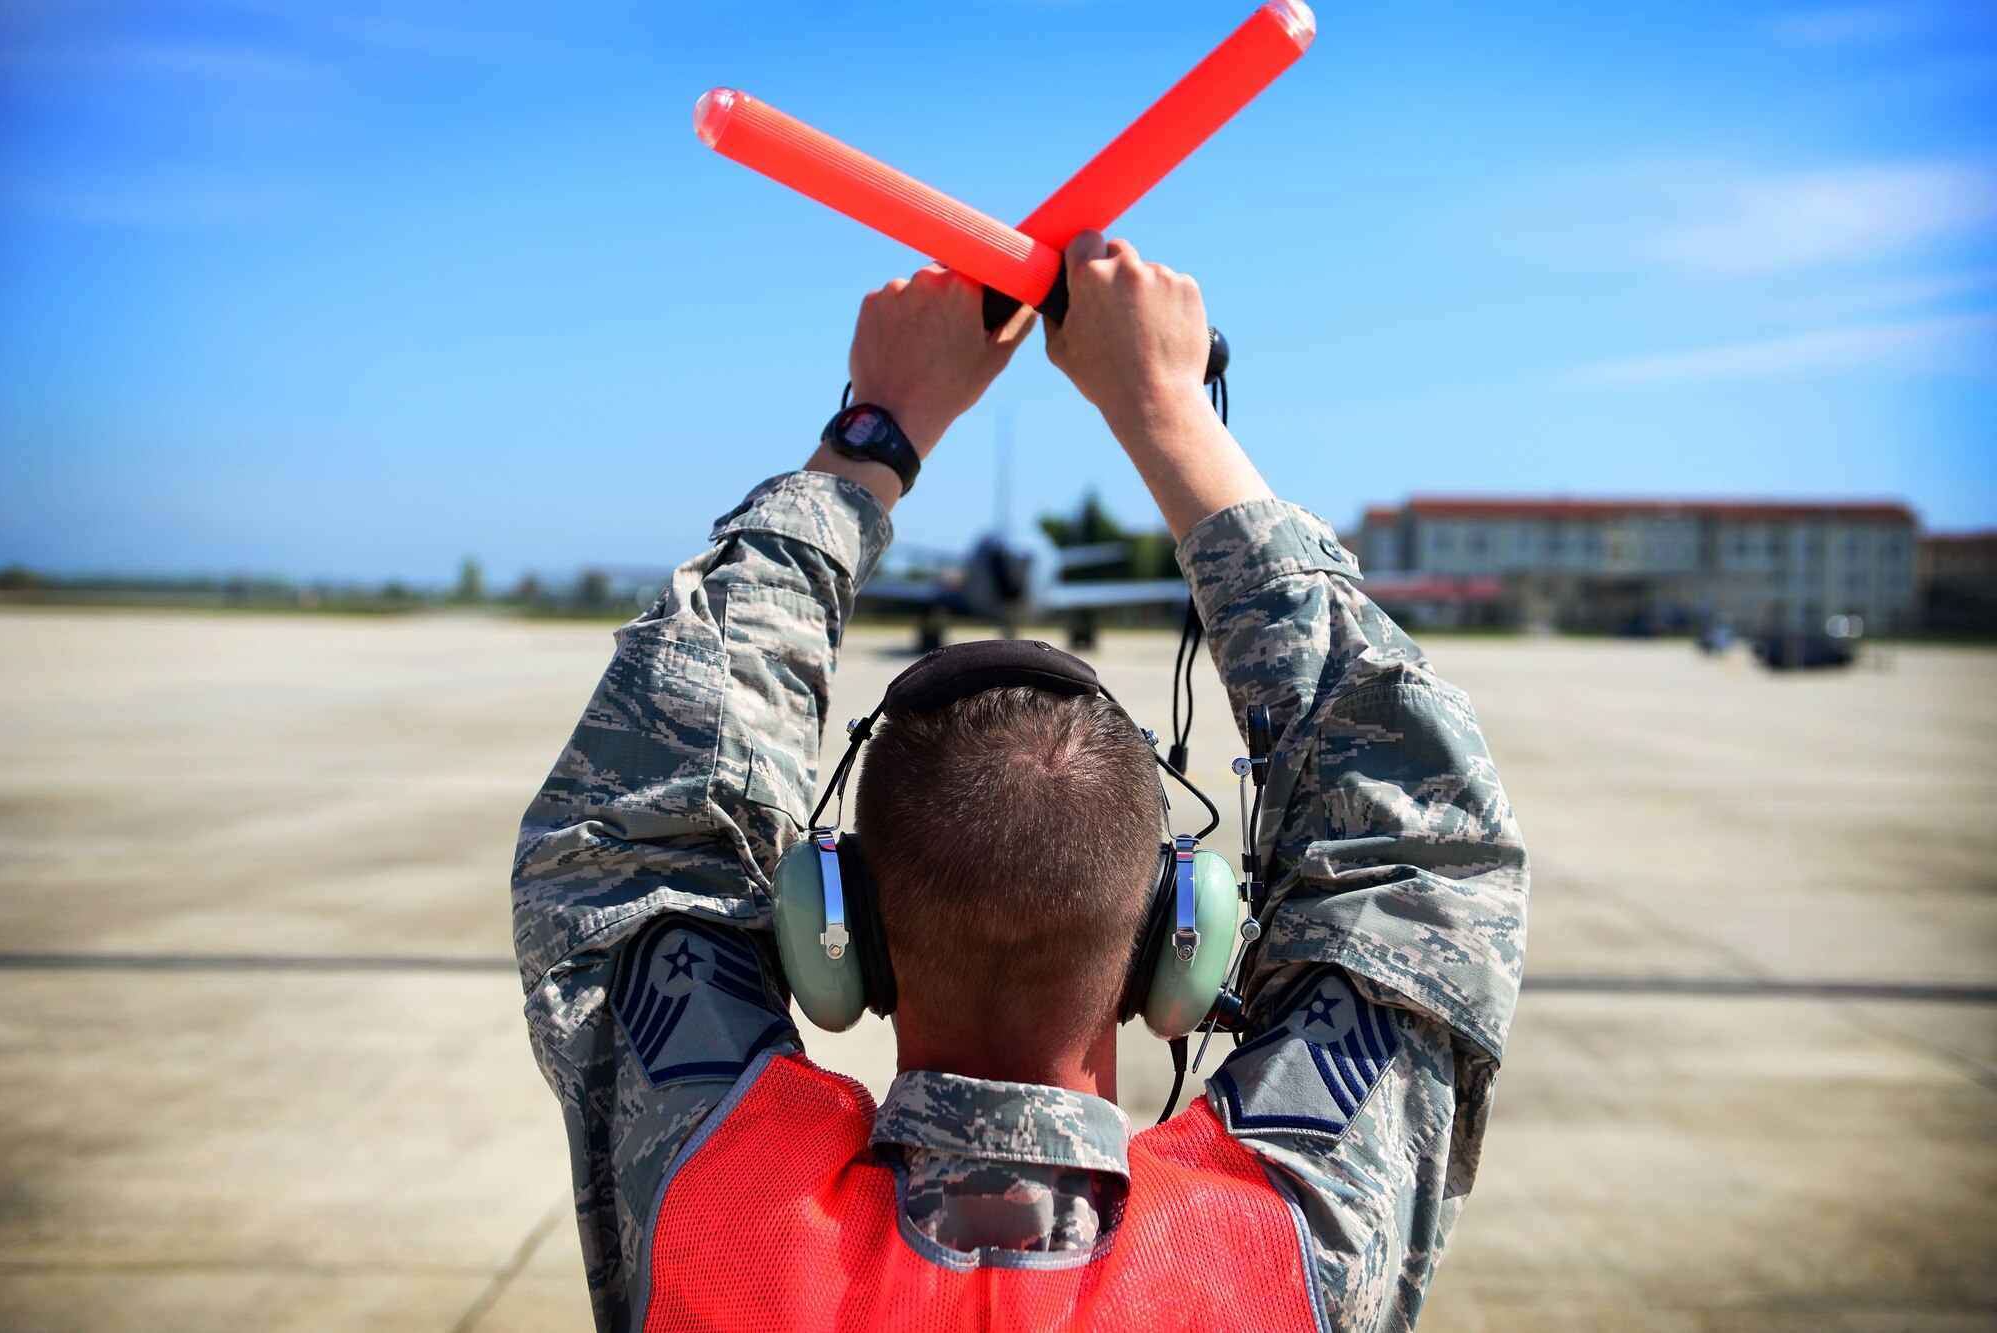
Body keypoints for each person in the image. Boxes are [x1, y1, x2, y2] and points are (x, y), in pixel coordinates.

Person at [512, 232, 1529, 1331]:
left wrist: (874, 432)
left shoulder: (718, 1203)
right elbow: (1417, 847)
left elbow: (635, 836)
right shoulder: (1280, 1247)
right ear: (1172, 942)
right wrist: (1169, 411)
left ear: (836, 929)